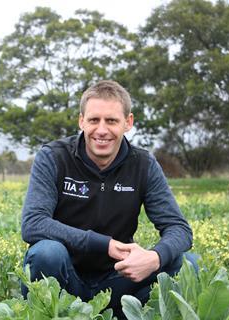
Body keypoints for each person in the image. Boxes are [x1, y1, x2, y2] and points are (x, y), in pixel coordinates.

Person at [21, 80, 194, 318]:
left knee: (187, 263)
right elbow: (33, 224)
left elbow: (179, 229)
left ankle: (126, 312)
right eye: (94, 120)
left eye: (111, 120)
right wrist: (105, 244)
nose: (102, 130)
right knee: (46, 253)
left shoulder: (143, 164)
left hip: (119, 280)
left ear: (128, 122)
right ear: (81, 121)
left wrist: (155, 257)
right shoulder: (53, 157)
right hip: (62, 282)